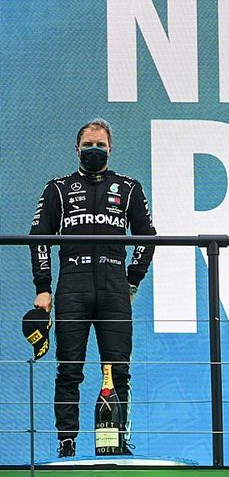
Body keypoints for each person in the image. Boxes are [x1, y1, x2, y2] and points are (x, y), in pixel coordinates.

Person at [30, 119, 156, 458]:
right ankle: (67, 444)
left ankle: (116, 442)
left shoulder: (129, 188)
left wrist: (132, 280)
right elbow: (38, 238)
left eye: (100, 145)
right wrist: (43, 287)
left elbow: (148, 237)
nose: (94, 150)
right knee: (69, 369)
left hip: (115, 286)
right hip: (72, 284)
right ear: (77, 149)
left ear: (111, 149)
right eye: (88, 145)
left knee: (119, 370)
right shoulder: (58, 188)